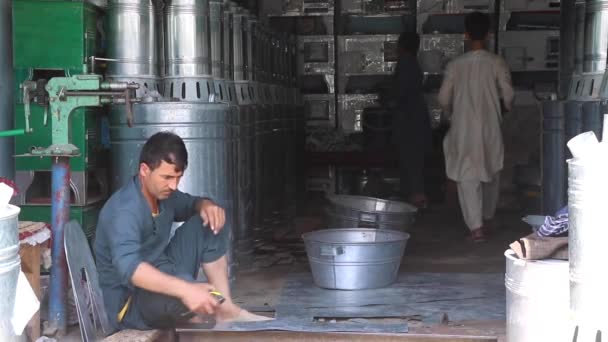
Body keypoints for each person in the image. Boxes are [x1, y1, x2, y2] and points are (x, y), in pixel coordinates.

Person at [94, 131, 270, 331]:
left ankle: (225, 308)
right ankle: (202, 309)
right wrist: (186, 289)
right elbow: (131, 269)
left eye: (178, 177)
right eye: (167, 177)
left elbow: (192, 203)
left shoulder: (163, 194)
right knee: (186, 293)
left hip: (164, 271)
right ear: (144, 170)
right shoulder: (124, 210)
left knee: (211, 221)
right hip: (131, 303)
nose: (173, 185)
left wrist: (205, 205)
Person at [438, 12, 514, 242]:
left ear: (466, 34)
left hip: (463, 128)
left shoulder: (455, 65)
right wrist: (505, 107)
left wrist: (453, 113)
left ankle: (476, 228)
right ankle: (488, 217)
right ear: (489, 34)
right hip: (490, 126)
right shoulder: (496, 62)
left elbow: (443, 98)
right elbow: (508, 94)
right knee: (492, 170)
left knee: (467, 176)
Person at [391, 31, 432, 208]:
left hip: (409, 122)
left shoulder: (405, 63)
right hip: (417, 119)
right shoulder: (413, 63)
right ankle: (414, 200)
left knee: (411, 162)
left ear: (401, 46)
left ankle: (417, 200)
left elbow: (400, 92)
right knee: (414, 162)